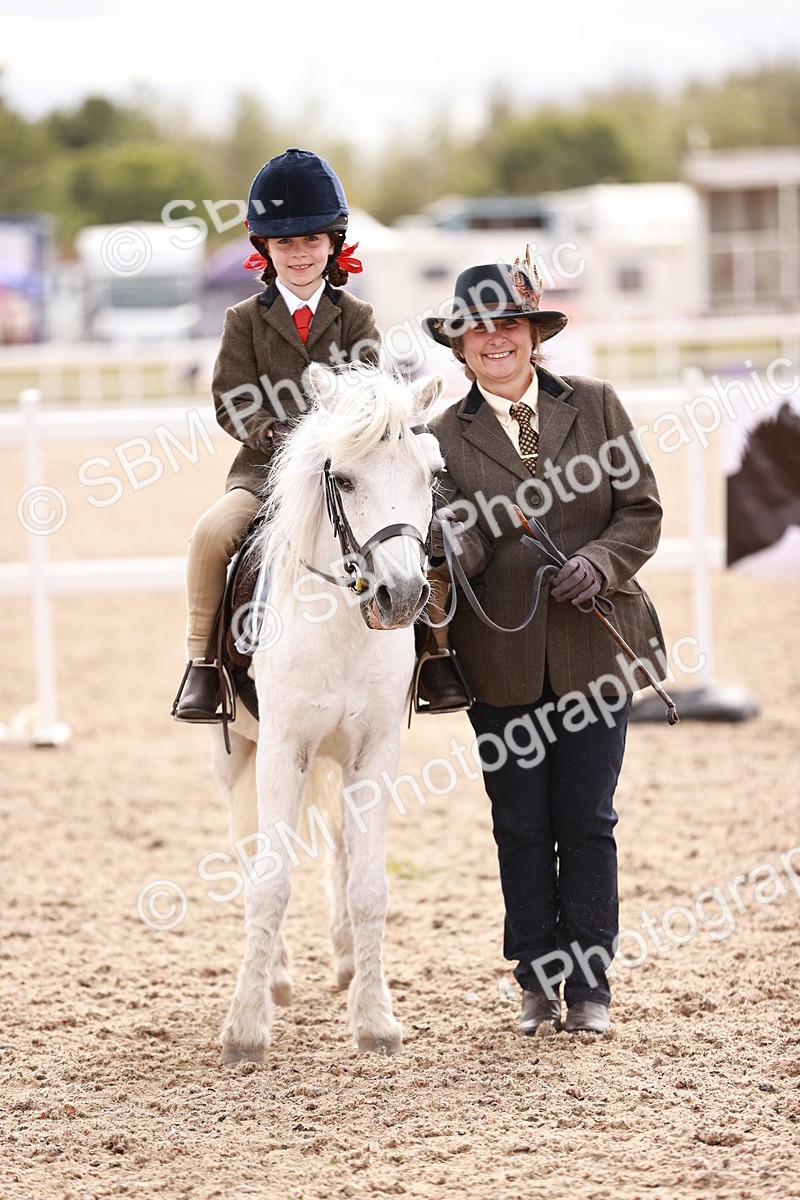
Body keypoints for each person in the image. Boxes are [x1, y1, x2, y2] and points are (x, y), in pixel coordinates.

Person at [422, 256, 667, 1036]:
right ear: (459, 346)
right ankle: (535, 978)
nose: (495, 339)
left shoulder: (596, 406)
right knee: (520, 822)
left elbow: (642, 511)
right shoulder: (438, 441)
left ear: (534, 335)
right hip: (502, 660)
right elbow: (457, 533)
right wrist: (447, 547)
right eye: (478, 329)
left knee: (588, 817)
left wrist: (599, 563)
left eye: (509, 325)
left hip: (596, 652)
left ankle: (591, 984)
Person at [172, 148, 380, 721]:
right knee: (211, 534)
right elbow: (231, 397)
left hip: (345, 470)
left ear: (332, 244)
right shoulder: (243, 319)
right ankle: (203, 666)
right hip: (264, 471)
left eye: (311, 240)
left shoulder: (356, 316)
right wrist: (273, 435)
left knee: (419, 532)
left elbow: (367, 392)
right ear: (265, 247)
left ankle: (437, 656)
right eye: (286, 243)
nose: (299, 254)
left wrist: (334, 437)